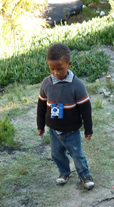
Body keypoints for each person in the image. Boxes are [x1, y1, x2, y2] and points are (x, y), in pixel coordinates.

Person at [37, 43, 94, 190]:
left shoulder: (77, 85)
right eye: (52, 69)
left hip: (71, 130)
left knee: (77, 154)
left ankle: (85, 175)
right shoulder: (46, 84)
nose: (56, 72)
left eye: (60, 69)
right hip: (54, 130)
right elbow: (41, 106)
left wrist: (88, 129)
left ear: (69, 64)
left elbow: (85, 109)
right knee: (56, 154)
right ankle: (64, 173)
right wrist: (40, 125)